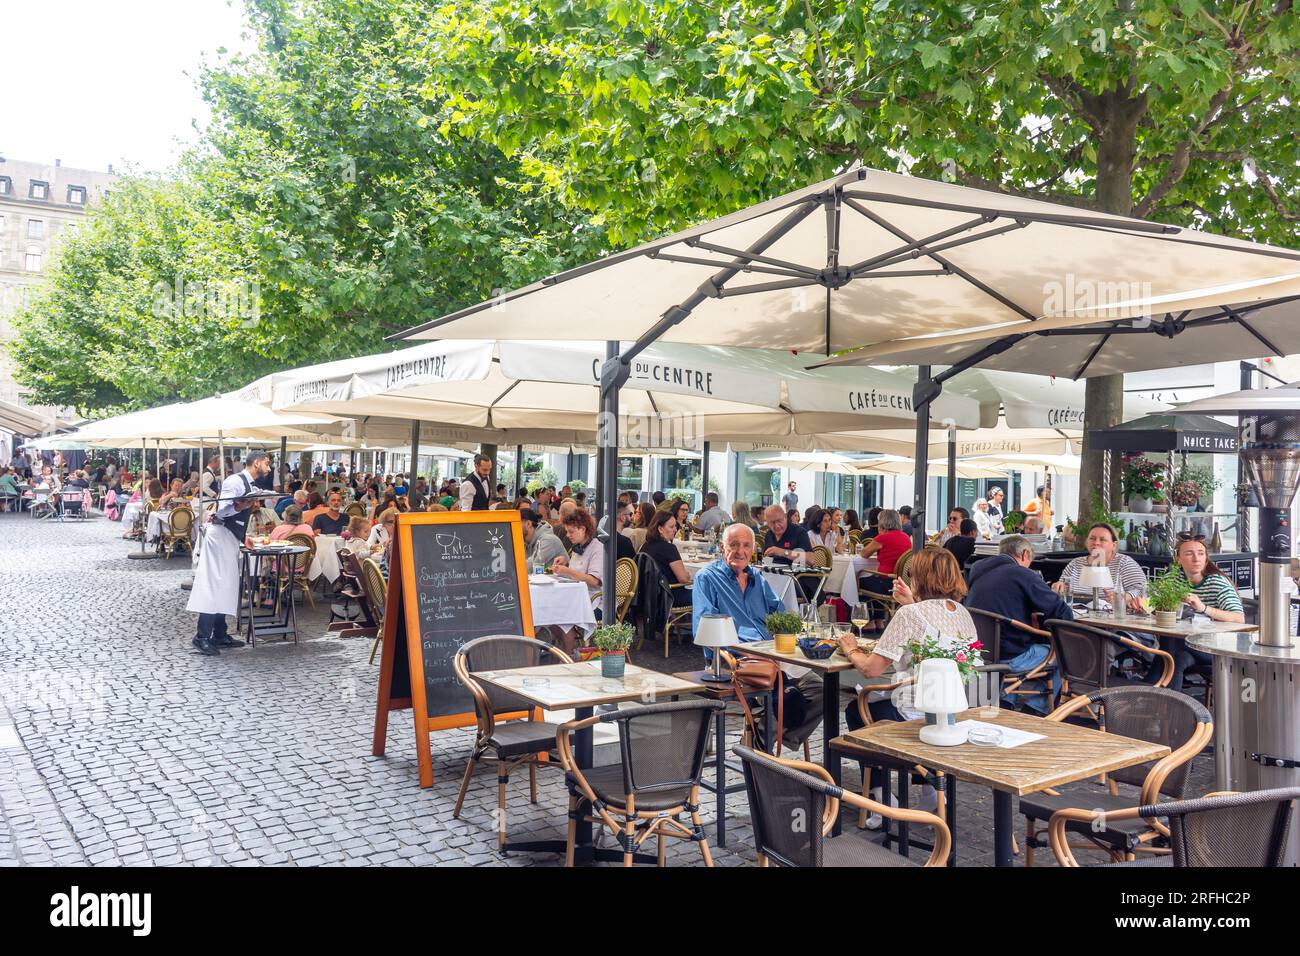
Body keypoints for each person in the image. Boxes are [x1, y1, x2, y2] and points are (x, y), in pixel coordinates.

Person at [836, 548, 972, 825]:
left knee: (855, 710)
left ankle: (881, 798)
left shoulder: (910, 615)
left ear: (919, 577)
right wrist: (909, 604)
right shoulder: (962, 613)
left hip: (914, 713)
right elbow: (931, 628)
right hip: (950, 711)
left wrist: (850, 649)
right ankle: (931, 789)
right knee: (877, 705)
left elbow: (872, 669)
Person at [965, 534, 1072, 712]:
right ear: (1024, 554)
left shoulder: (977, 569)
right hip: (1011, 655)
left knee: (1019, 639)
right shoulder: (1023, 573)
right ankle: (1036, 708)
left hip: (981, 651)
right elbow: (1061, 611)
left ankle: (1007, 700)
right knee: (1063, 653)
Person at [187, 451, 272, 655]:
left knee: (226, 586)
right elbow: (223, 510)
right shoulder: (235, 481)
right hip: (220, 535)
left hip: (229, 536)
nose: (269, 468)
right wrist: (240, 505)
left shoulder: (249, 484)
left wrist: (244, 537)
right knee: (214, 585)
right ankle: (201, 636)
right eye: (267, 464)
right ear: (257, 463)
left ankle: (219, 634)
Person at [1153, 536, 1244, 690]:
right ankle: (1171, 709)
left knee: (1169, 647)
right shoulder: (1172, 579)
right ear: (1178, 558)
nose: (1196, 558)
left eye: (1201, 553)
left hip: (1215, 647)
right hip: (1186, 645)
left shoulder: (1216, 582)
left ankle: (1149, 689)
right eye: (1189, 553)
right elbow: (1153, 609)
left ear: (1206, 558)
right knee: (1176, 657)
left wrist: (1203, 608)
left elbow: (1239, 618)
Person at [1051, 523, 1147, 606]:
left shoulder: (1124, 563)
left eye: (1102, 540)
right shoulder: (1075, 563)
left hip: (1111, 621)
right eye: (1092, 538)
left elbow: (1142, 590)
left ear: (1113, 545)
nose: (1096, 543)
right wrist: (1058, 586)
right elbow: (1063, 587)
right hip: (1076, 618)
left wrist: (1123, 597)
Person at [550, 509, 605, 655]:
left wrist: (566, 571)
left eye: (571, 531)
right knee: (550, 612)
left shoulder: (597, 548)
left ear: (582, 529)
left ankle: (568, 656)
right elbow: (578, 571)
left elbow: (594, 580)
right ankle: (570, 651)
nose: (567, 535)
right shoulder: (578, 547)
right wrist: (566, 563)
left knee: (562, 615)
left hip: (595, 601)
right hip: (576, 598)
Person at [856, 508, 911, 627]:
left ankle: (869, 621)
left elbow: (864, 553)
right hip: (902, 583)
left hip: (887, 583)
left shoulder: (882, 538)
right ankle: (880, 621)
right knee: (875, 578)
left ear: (882, 522)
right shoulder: (905, 537)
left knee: (861, 579)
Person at [641, 508, 693, 606]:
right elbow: (683, 579)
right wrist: (688, 575)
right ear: (660, 529)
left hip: (649, 596)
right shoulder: (669, 549)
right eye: (671, 527)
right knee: (706, 592)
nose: (675, 529)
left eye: (675, 526)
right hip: (669, 596)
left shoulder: (645, 546)